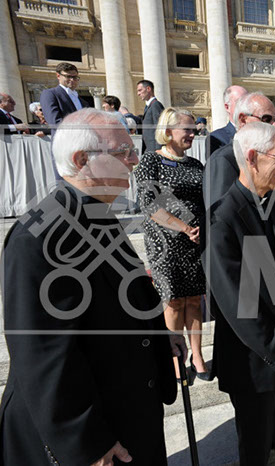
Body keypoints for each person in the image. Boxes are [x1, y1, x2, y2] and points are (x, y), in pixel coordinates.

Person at [1, 108, 185, 465]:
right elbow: (43, 352)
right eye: (123, 152)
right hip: (96, 435)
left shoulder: (97, 212)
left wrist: (159, 333)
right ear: (81, 160)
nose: (134, 160)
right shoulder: (39, 236)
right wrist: (87, 442)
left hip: (128, 412)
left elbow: (125, 294)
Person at [202, 122, 275, 466]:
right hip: (255, 362)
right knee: (257, 451)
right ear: (252, 158)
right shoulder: (222, 220)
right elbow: (238, 304)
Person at [134, 107, 210, 381]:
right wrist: (184, 227)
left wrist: (200, 229)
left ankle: (197, 356)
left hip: (195, 240)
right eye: (186, 129)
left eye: (194, 129)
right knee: (174, 301)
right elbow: (150, 203)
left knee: (195, 300)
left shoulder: (195, 164)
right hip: (165, 242)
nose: (192, 133)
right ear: (168, 131)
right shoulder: (151, 161)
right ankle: (177, 358)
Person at [203, 92, 275, 209]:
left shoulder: (266, 156)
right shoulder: (224, 159)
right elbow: (221, 213)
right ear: (243, 120)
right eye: (266, 119)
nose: (274, 125)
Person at [40, 62, 89, 127]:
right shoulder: (50, 94)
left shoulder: (83, 102)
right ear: (58, 76)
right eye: (68, 76)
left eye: (74, 77)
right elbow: (54, 122)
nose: (72, 80)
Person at [208, 85, 247, 153]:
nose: (245, 106)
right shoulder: (216, 138)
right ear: (227, 107)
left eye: (247, 102)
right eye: (240, 102)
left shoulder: (259, 133)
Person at [137, 79, 165, 152]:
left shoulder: (155, 105)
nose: (138, 94)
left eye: (140, 90)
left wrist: (159, 150)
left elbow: (160, 128)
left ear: (148, 89)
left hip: (155, 149)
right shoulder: (149, 106)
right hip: (149, 148)